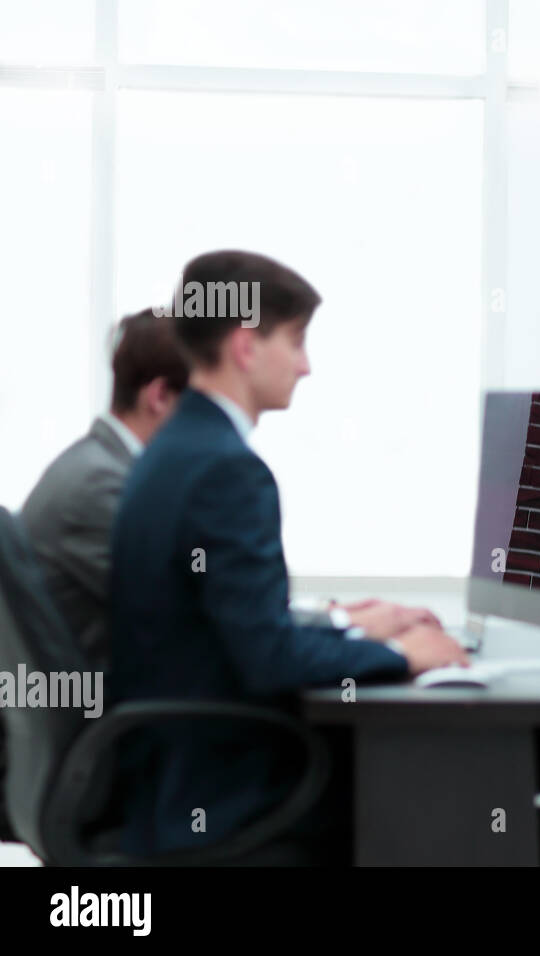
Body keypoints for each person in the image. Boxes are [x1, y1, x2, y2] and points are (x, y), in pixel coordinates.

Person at [110, 250, 469, 862]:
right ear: (246, 347)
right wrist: (398, 653)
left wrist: (345, 625)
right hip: (221, 787)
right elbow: (268, 658)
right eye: (296, 341)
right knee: (445, 789)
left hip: (166, 774)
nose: (306, 366)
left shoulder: (173, 450)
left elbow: (233, 623)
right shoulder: (227, 470)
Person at [21, 310, 188, 670]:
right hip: (109, 709)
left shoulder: (104, 466)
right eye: (204, 408)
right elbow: (185, 613)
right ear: (159, 397)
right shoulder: (101, 485)